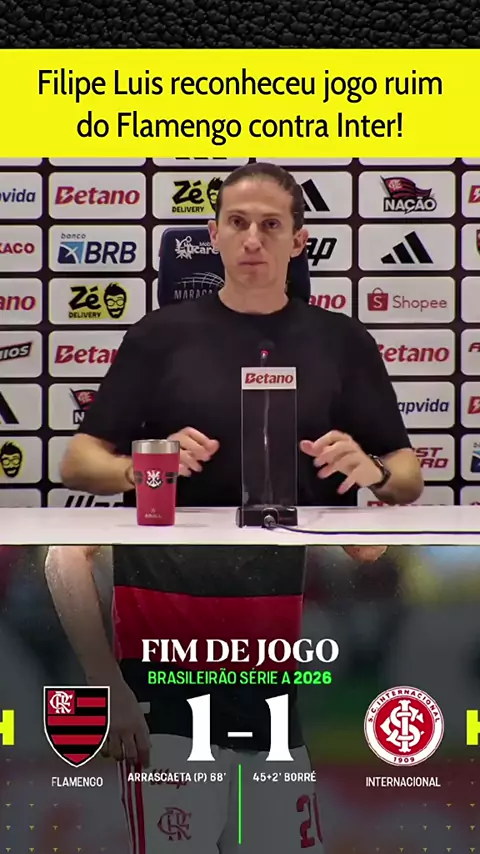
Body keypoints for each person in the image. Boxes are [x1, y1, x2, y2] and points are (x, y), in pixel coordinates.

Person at [52, 162, 422, 852]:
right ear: (214, 234)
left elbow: (404, 479)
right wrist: (142, 467)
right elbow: (79, 464)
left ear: (299, 241)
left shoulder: (342, 342)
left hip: (274, 693)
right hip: (164, 687)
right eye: (238, 222)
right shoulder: (159, 337)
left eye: (271, 224)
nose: (253, 238)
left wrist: (370, 470)